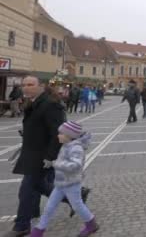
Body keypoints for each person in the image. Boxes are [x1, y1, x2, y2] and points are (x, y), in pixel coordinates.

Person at [6, 76, 89, 237]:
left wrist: (50, 157)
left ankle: (22, 225)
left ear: (41, 86)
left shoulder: (50, 105)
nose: (26, 87)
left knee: (27, 188)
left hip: (43, 155)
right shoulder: (34, 101)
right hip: (33, 152)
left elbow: (57, 132)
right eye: (24, 85)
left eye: (30, 84)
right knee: (40, 186)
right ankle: (75, 196)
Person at [30, 121, 99, 237]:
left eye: (61, 133)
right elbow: (62, 162)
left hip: (72, 183)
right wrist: (51, 163)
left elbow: (75, 165)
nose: (58, 136)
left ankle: (91, 224)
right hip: (60, 183)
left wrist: (55, 164)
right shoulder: (66, 145)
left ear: (69, 136)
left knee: (77, 206)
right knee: (49, 207)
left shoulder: (76, 148)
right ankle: (38, 231)